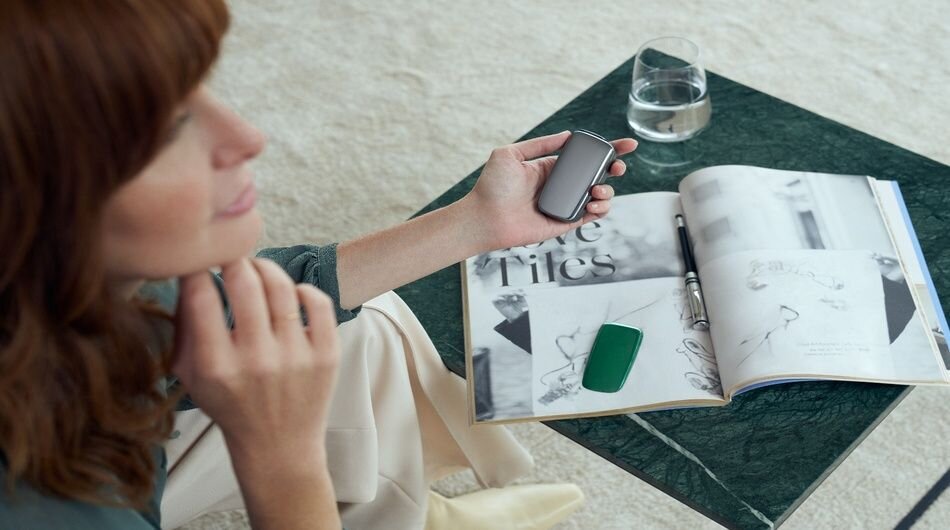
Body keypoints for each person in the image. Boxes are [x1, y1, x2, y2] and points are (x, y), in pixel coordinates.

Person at [0, 1, 636, 529]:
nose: (247, 137)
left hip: (102, 412)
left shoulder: (74, 289)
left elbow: (242, 304)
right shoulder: (42, 510)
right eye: (165, 131)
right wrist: (282, 460)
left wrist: (478, 222)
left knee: (350, 324)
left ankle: (406, 515)